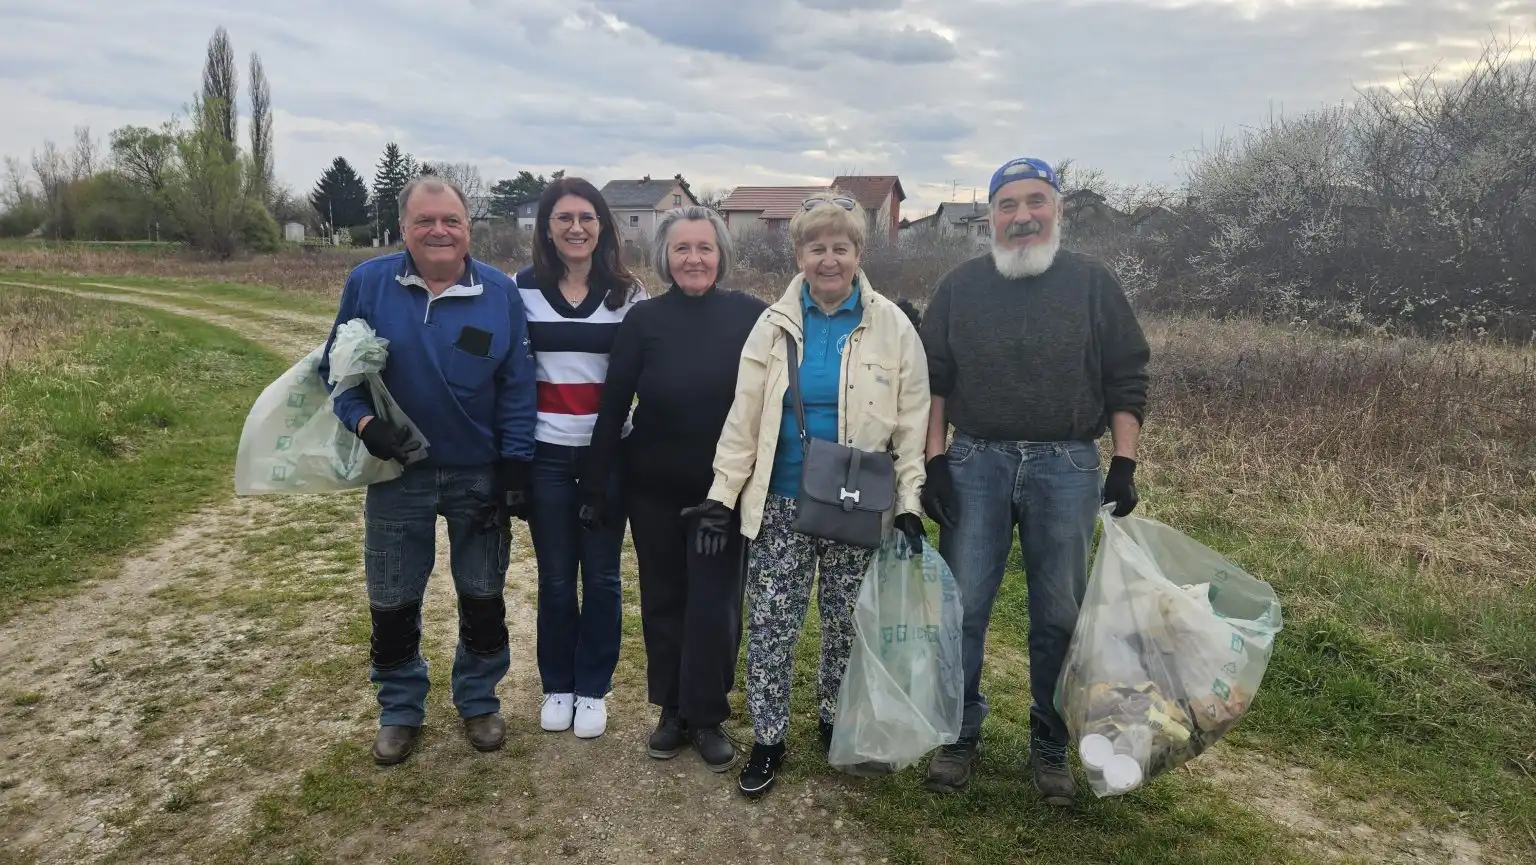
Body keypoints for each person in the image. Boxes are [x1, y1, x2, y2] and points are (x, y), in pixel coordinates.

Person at [918, 157, 1150, 805]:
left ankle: (1049, 742)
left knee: (1059, 615)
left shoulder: (1093, 285)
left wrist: (1125, 460)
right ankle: (958, 732)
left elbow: (1127, 374)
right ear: (989, 216)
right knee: (960, 607)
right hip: (976, 461)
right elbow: (933, 379)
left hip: (1067, 464)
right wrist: (934, 460)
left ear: (1058, 208)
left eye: (1034, 202)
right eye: (1007, 205)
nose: (1022, 217)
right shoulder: (961, 287)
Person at [697, 192, 930, 799]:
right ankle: (769, 737)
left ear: (858, 253)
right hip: (780, 499)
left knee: (846, 623)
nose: (830, 260)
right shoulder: (772, 327)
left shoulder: (892, 326)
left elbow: (911, 421)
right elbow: (744, 417)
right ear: (799, 254)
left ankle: (835, 722)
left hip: (859, 501)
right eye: (817, 247)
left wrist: (909, 503)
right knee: (773, 621)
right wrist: (724, 495)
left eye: (841, 247)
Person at [317, 175, 537, 766]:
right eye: (425, 221)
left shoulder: (499, 293)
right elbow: (335, 371)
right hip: (398, 473)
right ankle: (399, 707)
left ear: (469, 227)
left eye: (451, 221)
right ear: (403, 229)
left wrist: (516, 467)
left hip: (478, 475)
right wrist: (365, 425)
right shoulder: (369, 284)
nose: (439, 231)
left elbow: (517, 387)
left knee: (483, 593)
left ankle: (479, 697)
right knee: (392, 596)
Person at [582, 205, 767, 772]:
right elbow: (613, 406)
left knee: (714, 603)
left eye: (704, 248)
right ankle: (671, 710)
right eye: (682, 249)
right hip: (654, 486)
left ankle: (708, 715)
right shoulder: (644, 321)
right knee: (664, 597)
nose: (694, 258)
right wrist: (596, 483)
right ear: (666, 256)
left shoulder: (751, 317)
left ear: (721, 256)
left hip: (723, 492)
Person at [512, 177, 645, 740]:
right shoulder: (521, 290)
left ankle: (593, 688)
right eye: (563, 218)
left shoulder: (629, 293)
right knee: (557, 579)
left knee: (605, 576)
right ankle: (558, 684)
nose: (576, 227)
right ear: (547, 227)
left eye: (587, 217)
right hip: (545, 456)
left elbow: (641, 377)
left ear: (602, 227)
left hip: (605, 459)